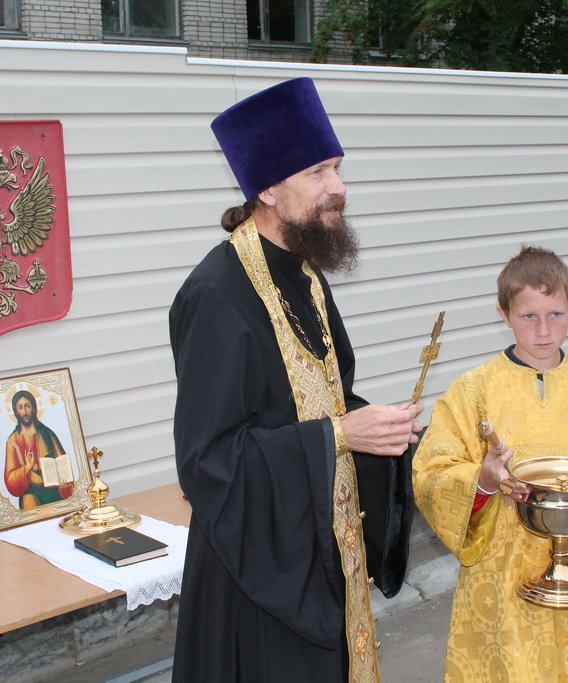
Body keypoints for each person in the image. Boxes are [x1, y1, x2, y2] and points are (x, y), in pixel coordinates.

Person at [168, 77, 424, 683]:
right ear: (267, 189)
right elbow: (208, 461)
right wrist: (339, 435)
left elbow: (326, 402)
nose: (339, 188)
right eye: (317, 172)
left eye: (336, 167)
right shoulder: (216, 297)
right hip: (256, 576)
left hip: (321, 550)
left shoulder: (308, 276)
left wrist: (383, 429)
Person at [412, 244, 568, 682]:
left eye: (556, 314)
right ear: (504, 313)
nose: (544, 330)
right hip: (500, 571)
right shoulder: (472, 391)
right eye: (529, 316)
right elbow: (433, 472)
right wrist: (484, 479)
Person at [4, 389, 73, 509]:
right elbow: (10, 479)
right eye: (20, 407)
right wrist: (27, 468)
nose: (25, 411)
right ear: (15, 411)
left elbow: (62, 462)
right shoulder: (13, 441)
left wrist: (64, 481)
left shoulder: (47, 433)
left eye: (28, 406)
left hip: (54, 492)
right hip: (31, 493)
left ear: (34, 408)